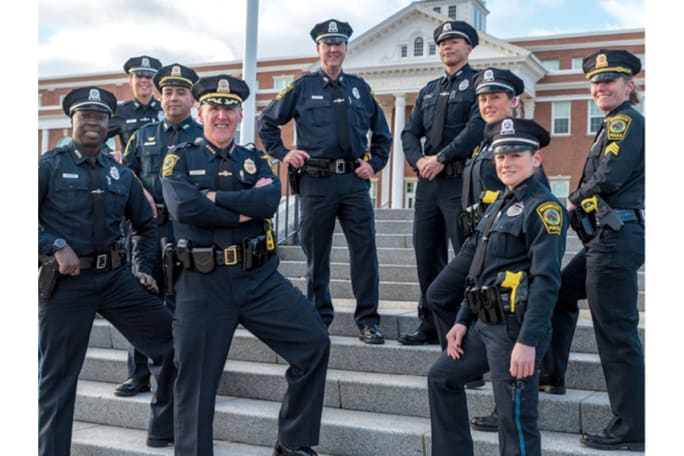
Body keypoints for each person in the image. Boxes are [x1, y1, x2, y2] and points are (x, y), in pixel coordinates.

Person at [161, 74, 330, 456]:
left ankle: (293, 442)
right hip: (202, 284)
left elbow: (269, 202)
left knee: (313, 342)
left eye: (230, 109)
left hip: (258, 280)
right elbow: (183, 206)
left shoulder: (253, 159)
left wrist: (215, 198)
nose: (222, 116)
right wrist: (241, 208)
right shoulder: (180, 157)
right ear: (200, 112)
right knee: (197, 383)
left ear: (240, 116)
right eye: (214, 108)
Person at [38, 86, 176, 455]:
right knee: (57, 380)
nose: (94, 123)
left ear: (108, 124)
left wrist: (142, 268)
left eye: (101, 117)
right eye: (86, 116)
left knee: (172, 343)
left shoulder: (120, 174)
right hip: (68, 284)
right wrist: (54, 245)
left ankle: (163, 429)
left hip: (116, 279)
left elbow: (146, 226)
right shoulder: (49, 166)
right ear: (73, 121)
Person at [427, 117, 567, 456]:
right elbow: (478, 269)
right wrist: (461, 320)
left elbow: (546, 281)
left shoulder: (544, 209)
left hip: (515, 328)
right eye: (501, 156)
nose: (506, 163)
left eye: (516, 155)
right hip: (483, 324)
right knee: (441, 377)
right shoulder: (499, 207)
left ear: (536, 159)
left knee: (515, 419)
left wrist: (528, 342)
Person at [257, 19, 392, 344]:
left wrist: (373, 164)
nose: (333, 49)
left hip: (354, 183)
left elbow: (383, 135)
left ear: (346, 48)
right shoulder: (302, 87)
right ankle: (319, 317)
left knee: (365, 252)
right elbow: (266, 122)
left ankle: (368, 321)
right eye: (327, 44)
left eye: (339, 43)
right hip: (316, 182)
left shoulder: (360, 88)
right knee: (317, 253)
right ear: (318, 49)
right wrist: (284, 153)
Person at [541, 49, 644, 451]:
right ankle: (553, 374)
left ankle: (631, 427)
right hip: (605, 238)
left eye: (610, 81)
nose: (600, 87)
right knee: (562, 292)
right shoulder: (610, 124)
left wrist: (569, 201)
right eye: (596, 82)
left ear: (629, 86)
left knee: (617, 335)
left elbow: (610, 176)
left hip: (617, 240)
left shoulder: (626, 123)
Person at [114, 63, 202, 397]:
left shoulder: (202, 136)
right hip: (148, 232)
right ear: (160, 97)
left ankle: (182, 372)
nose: (173, 98)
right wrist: (142, 191)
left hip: (187, 232)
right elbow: (126, 173)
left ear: (193, 98)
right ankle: (138, 374)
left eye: (181, 92)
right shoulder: (143, 135)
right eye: (168, 92)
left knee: (185, 303)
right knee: (141, 300)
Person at [398, 20, 485, 345]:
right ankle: (431, 324)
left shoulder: (478, 83)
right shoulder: (429, 90)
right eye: (442, 42)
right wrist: (418, 160)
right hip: (427, 184)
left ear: (469, 47)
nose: (447, 46)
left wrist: (442, 157)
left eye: (454, 41)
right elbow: (409, 132)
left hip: (459, 182)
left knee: (465, 255)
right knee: (426, 253)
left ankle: (467, 325)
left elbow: (476, 127)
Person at [108, 55, 164, 160]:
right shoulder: (120, 112)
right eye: (138, 76)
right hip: (131, 173)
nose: (144, 80)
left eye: (149, 77)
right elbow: (96, 139)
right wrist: (110, 154)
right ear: (130, 80)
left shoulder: (165, 110)